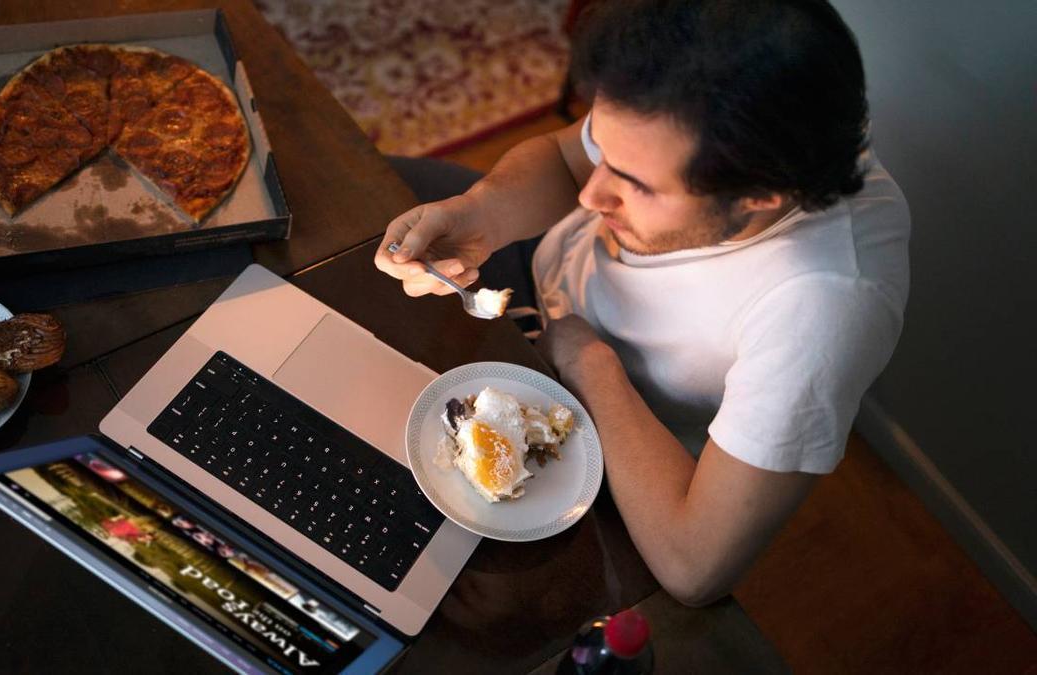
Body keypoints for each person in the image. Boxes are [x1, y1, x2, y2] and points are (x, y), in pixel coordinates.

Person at [374, 0, 909, 607]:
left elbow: (694, 566)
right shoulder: (696, 105)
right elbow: (562, 159)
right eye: (604, 149)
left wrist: (591, 365)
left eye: (636, 185)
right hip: (540, 283)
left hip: (612, 441)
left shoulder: (822, 311)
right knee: (359, 209)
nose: (592, 193)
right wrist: (479, 215)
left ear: (762, 195)